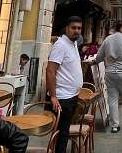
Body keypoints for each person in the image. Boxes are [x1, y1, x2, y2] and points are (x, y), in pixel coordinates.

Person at [45, 16, 83, 153]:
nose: (76, 31)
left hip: (71, 96)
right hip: (62, 98)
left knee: (64, 133)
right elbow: (50, 71)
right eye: (73, 28)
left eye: (79, 28)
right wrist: (53, 96)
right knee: (61, 134)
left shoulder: (73, 44)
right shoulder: (60, 45)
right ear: (67, 28)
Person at [96, 20, 122, 133]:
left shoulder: (107, 39)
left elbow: (99, 57)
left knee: (112, 98)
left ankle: (115, 126)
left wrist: (95, 62)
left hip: (110, 72)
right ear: (121, 28)